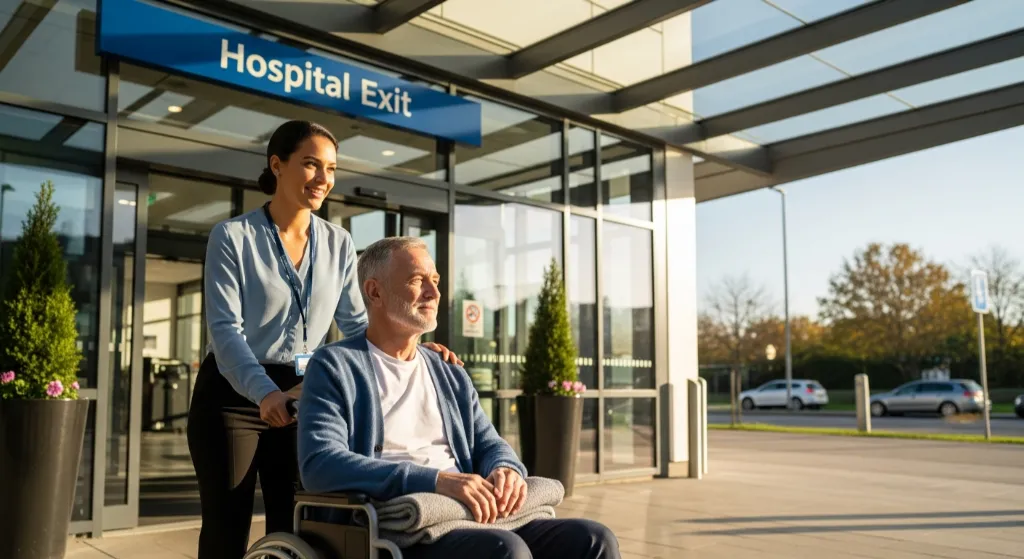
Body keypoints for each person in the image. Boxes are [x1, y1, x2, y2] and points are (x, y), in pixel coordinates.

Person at [187, 120, 461, 559]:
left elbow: (357, 324)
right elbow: (225, 332)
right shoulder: (232, 237)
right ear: (277, 165)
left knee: (299, 522)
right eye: (311, 164)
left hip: (303, 391)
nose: (323, 179)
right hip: (234, 395)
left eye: (331, 169)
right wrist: (265, 393)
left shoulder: (338, 242)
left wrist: (409, 344)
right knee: (226, 525)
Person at [297, 237, 620, 559]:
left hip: (471, 512)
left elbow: (488, 442)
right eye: (416, 281)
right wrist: (436, 481)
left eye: (435, 281)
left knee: (593, 538)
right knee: (505, 550)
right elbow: (320, 464)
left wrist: (505, 468)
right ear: (374, 291)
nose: (434, 293)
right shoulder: (335, 364)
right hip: (401, 526)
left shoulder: (448, 370)